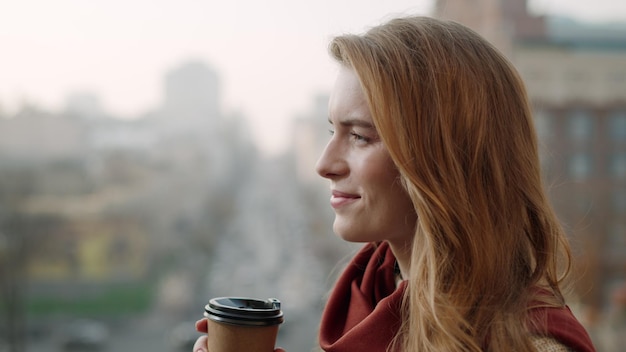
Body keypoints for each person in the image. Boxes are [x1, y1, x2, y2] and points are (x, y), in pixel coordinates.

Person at [193, 16, 597, 352]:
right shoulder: (370, 294)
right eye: (332, 130)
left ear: (443, 158)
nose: (324, 164)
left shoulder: (529, 342)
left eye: (360, 137)